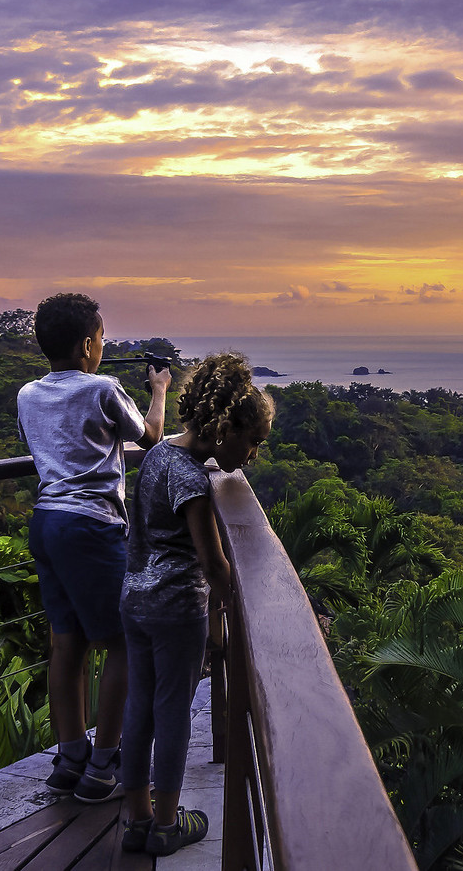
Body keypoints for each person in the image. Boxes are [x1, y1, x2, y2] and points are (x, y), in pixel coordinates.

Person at [17, 293, 171, 803]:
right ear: (88, 344)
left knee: (68, 645)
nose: (103, 347)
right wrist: (158, 389)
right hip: (91, 526)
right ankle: (105, 764)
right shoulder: (103, 388)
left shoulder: (28, 394)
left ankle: (71, 756)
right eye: (102, 338)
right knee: (124, 644)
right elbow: (150, 436)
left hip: (46, 522)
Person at [119, 352, 272, 855]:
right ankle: (168, 822)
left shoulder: (160, 453)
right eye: (252, 442)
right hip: (176, 608)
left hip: (136, 599)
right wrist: (235, 606)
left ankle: (139, 817)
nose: (252, 455)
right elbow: (212, 563)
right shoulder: (193, 483)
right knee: (173, 713)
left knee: (139, 707)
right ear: (226, 429)